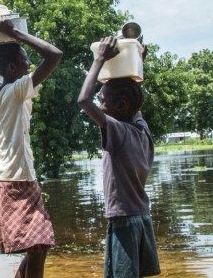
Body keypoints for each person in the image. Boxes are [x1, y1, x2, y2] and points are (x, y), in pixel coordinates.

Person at [77, 36, 160, 278]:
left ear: (121, 105)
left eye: (102, 101)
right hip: (142, 216)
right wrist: (136, 63)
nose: (99, 106)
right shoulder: (140, 127)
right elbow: (135, 98)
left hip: (123, 219)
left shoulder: (119, 132)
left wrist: (99, 60)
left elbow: (83, 100)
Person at [0, 16, 62, 278]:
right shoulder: (15, 91)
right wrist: (17, 35)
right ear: (11, 68)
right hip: (15, 180)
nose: (29, 63)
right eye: (23, 59)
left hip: (14, 178)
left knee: (38, 246)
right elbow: (54, 55)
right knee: (38, 247)